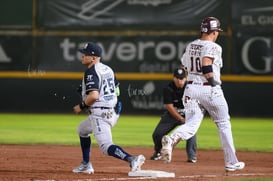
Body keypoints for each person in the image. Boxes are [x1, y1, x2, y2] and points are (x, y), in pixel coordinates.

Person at [161, 17, 245, 172]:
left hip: (191, 88)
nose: (217, 34)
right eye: (217, 31)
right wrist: (212, 82)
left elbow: (184, 66)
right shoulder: (214, 46)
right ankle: (231, 162)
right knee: (223, 123)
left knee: (191, 125)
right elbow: (206, 64)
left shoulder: (191, 45)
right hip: (209, 89)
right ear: (214, 31)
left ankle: (171, 139)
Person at [72, 42, 145, 174]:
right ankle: (86, 164)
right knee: (82, 130)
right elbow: (116, 90)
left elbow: (94, 96)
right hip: (111, 112)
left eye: (85, 54)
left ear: (93, 58)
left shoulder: (91, 71)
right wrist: (114, 105)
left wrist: (81, 106)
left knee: (106, 147)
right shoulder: (108, 69)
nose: (82, 55)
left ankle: (132, 159)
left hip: (99, 114)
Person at [150, 66, 197, 163]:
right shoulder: (168, 88)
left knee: (191, 131)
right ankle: (159, 152)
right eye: (177, 78)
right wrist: (180, 118)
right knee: (157, 134)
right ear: (173, 78)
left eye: (182, 78)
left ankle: (192, 156)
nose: (179, 81)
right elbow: (169, 107)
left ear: (186, 78)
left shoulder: (190, 88)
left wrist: (188, 118)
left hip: (187, 114)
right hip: (173, 115)